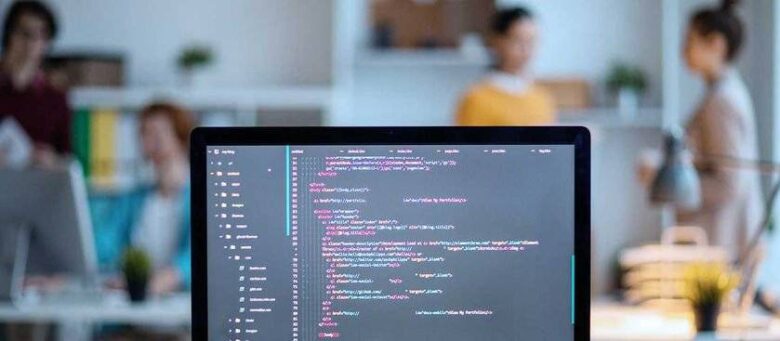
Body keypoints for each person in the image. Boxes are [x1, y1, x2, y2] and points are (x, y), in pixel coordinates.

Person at [678, 0, 762, 260]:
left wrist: (672, 181)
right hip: (725, 239)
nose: (683, 51)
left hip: (724, 242)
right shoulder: (722, 93)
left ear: (716, 44)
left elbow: (730, 183)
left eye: (690, 41)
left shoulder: (722, 101)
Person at [455, 6, 555, 126]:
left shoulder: (542, 99)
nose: (526, 50)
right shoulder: (476, 100)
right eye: (518, 41)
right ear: (496, 41)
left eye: (531, 41)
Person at [0, 1, 70, 166]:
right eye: (25, 33)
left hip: (38, 185)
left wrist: (50, 159)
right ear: (9, 35)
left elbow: (68, 159)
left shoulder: (55, 97)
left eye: (41, 35)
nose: (31, 43)